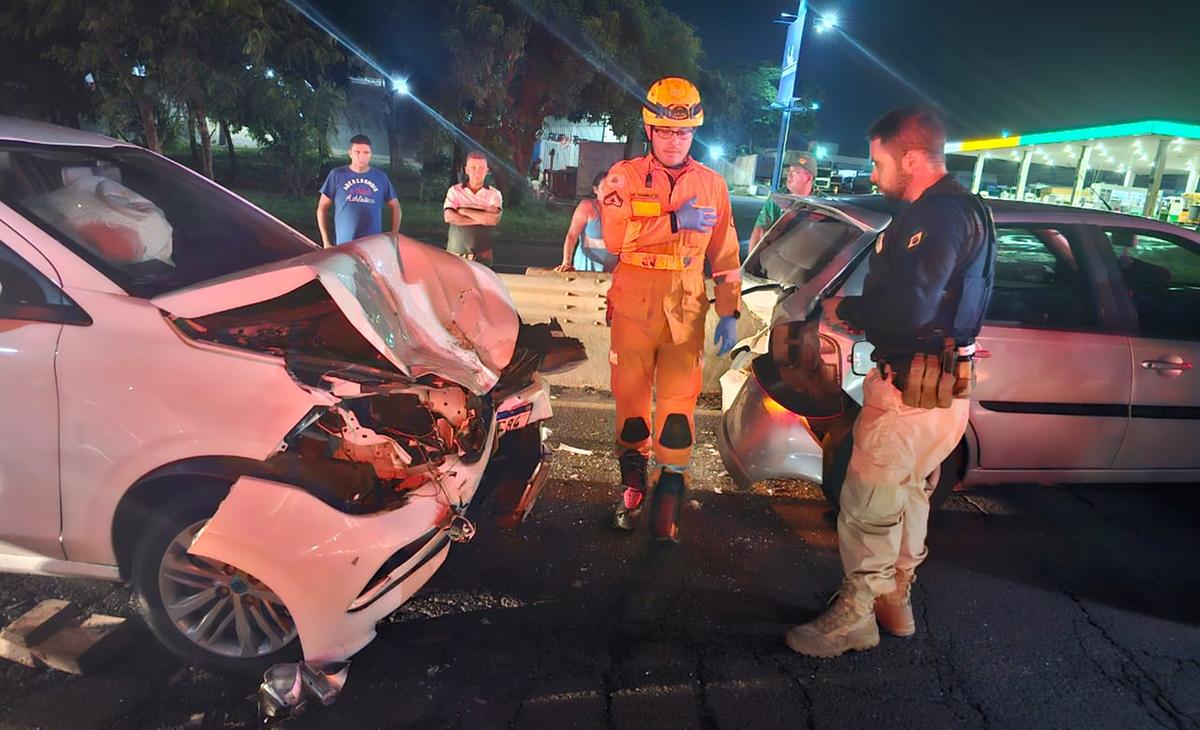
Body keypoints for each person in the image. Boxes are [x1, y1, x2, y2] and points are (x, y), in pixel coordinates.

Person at [785, 107, 995, 657]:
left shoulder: (939, 217)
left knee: (868, 503)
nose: (874, 174)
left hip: (909, 393)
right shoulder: (967, 207)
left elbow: (908, 310)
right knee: (909, 496)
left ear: (910, 157)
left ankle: (856, 616)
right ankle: (895, 601)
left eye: (878, 162)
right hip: (941, 393)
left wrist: (845, 308)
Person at [597, 76, 741, 542]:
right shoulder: (623, 176)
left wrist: (730, 311)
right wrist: (675, 220)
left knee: (679, 407)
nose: (675, 139)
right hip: (635, 301)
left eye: (683, 132)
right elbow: (616, 239)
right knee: (632, 404)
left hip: (686, 306)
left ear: (693, 132)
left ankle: (672, 487)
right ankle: (633, 488)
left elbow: (725, 254)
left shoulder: (713, 185)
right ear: (650, 130)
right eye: (665, 131)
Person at [316, 134, 401, 248]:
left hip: (372, 245)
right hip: (344, 245)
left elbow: (396, 207)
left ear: (371, 154)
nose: (362, 156)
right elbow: (322, 207)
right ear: (350, 153)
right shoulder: (337, 175)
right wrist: (326, 241)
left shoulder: (380, 177)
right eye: (357, 152)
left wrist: (394, 236)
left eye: (366, 153)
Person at [747, 151, 817, 250]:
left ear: (808, 178)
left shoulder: (822, 203)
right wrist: (750, 263)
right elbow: (759, 230)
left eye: (795, 172)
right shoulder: (777, 198)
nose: (789, 175)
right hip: (778, 257)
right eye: (789, 171)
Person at [443, 151, 503, 267]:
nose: (477, 172)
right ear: (466, 170)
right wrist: (481, 219)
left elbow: (492, 220)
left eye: (481, 168)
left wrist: (463, 211)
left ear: (487, 170)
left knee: (482, 284)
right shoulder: (455, 191)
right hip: (455, 253)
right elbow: (448, 216)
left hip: (483, 255)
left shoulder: (494, 194)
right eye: (473, 168)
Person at [554, 173, 616, 273]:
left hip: (612, 268)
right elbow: (571, 236)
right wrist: (566, 263)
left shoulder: (621, 210)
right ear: (595, 190)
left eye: (611, 187)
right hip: (587, 267)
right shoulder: (587, 206)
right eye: (604, 188)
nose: (609, 192)